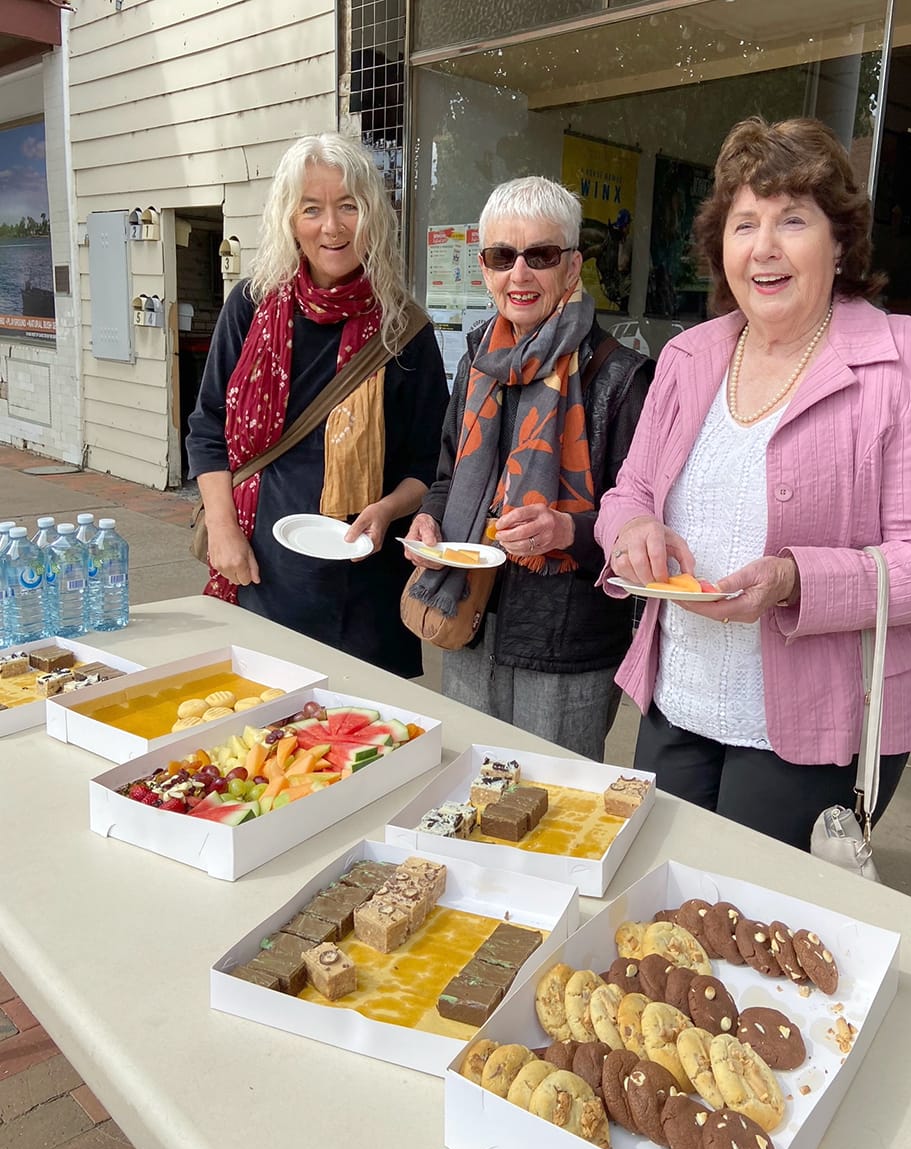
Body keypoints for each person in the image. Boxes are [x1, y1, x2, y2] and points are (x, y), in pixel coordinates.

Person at [595, 116, 911, 849]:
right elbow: (628, 492)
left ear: (840, 243)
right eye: (745, 224)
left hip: (819, 721)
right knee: (661, 902)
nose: (764, 248)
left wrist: (794, 579)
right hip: (678, 698)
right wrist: (631, 531)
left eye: (793, 220)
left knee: (758, 936)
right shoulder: (688, 357)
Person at [404, 176, 653, 760]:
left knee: (551, 808)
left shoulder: (622, 378)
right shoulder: (476, 365)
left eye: (540, 255)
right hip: (468, 618)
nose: (519, 274)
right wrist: (430, 522)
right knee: (470, 791)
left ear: (572, 268)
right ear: (484, 269)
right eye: (501, 256)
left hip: (564, 645)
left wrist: (566, 530)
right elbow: (446, 478)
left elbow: (647, 519)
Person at [186, 132, 447, 678]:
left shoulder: (405, 328)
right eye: (313, 209)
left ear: (372, 214)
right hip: (261, 570)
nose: (331, 226)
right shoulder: (252, 304)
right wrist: (224, 532)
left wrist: (388, 510)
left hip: (364, 586)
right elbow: (207, 425)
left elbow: (427, 463)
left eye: (348, 205)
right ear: (290, 219)